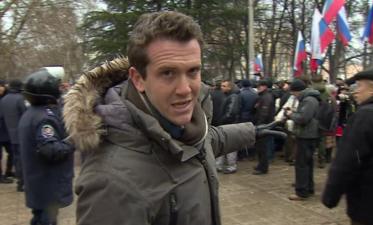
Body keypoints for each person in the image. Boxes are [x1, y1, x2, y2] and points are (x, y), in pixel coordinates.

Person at [63, 11, 276, 225]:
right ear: (138, 79)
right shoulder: (110, 184)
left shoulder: (184, 126)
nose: (185, 90)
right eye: (167, 73)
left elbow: (207, 142)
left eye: (193, 71)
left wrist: (252, 131)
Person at [322, 68, 373, 225]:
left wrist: (331, 194)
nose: (355, 92)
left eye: (359, 86)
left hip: (370, 202)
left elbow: (347, 159)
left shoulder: (366, 115)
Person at [19, 68, 75, 225]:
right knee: (46, 220)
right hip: (47, 185)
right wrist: (73, 140)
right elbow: (50, 150)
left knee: (40, 219)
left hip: (39, 184)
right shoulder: (44, 118)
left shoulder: (33, 113)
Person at [284, 79, 320, 200]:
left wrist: (290, 114)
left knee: (301, 164)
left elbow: (303, 118)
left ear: (298, 91)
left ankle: (301, 191)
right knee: (307, 164)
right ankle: (308, 188)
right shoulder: (310, 99)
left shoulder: (308, 100)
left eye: (293, 92)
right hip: (309, 134)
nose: (293, 95)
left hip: (306, 135)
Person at [1, 79, 27, 191]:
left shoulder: (4, 99)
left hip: (10, 134)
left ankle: (18, 180)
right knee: (21, 159)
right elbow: (26, 115)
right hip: (20, 134)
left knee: (16, 158)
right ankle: (21, 182)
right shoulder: (20, 99)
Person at [216, 80, 241, 174]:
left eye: (224, 86)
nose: (221, 87)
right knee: (223, 145)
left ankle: (231, 166)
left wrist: (222, 120)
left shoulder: (233, 97)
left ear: (229, 87)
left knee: (231, 146)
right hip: (226, 124)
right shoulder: (227, 96)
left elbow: (231, 113)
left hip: (229, 125)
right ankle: (219, 165)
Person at [253, 79, 275, 175]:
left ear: (265, 87)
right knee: (260, 146)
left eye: (260, 86)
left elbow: (264, 113)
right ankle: (261, 164)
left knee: (262, 147)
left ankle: (263, 167)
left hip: (264, 125)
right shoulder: (263, 96)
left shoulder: (266, 97)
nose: (258, 88)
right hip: (263, 124)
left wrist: (260, 125)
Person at [0, 80, 14, 183]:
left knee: (12, 152)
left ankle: (9, 171)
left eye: (1, 86)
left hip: (6, 129)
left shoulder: (7, 97)